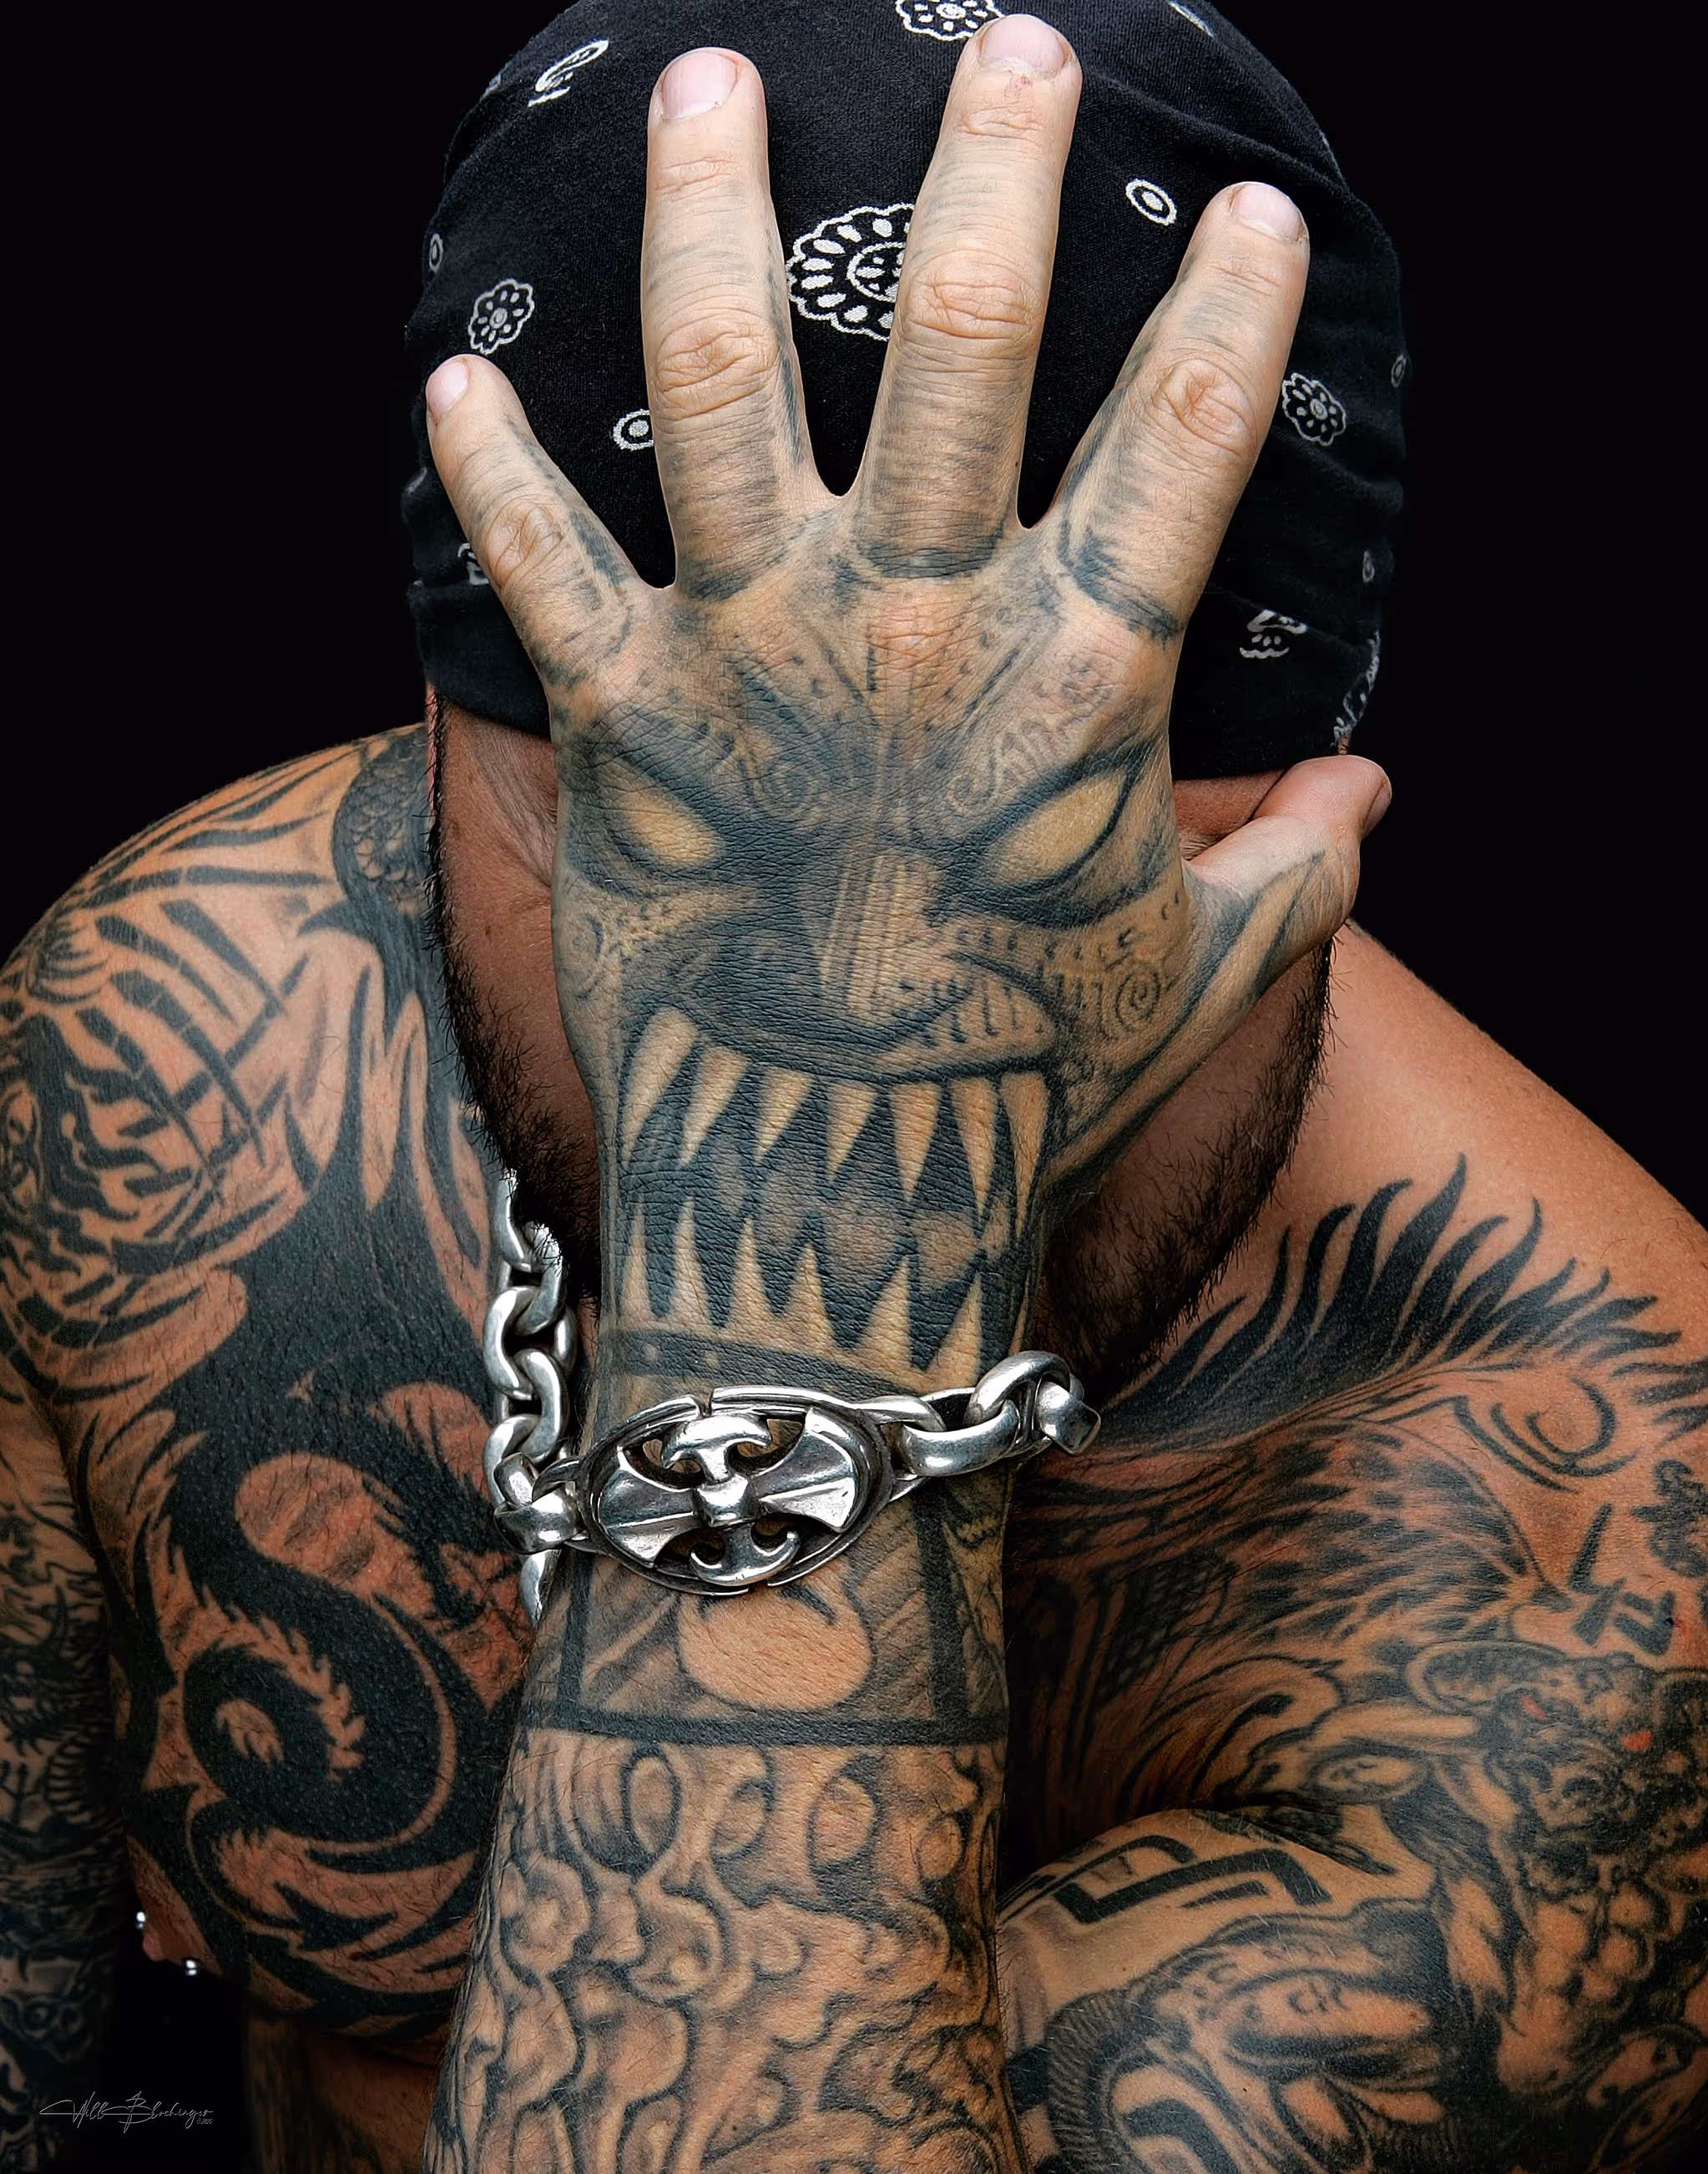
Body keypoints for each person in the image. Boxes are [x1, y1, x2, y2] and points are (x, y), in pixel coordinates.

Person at [1, 9, 1701, 2174]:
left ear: (1310, 818)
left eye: (1066, 862)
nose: (864, 952)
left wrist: (800, 1255)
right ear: (438, 759)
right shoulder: (170, 1043)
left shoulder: (1598, 1563)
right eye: (674, 844)